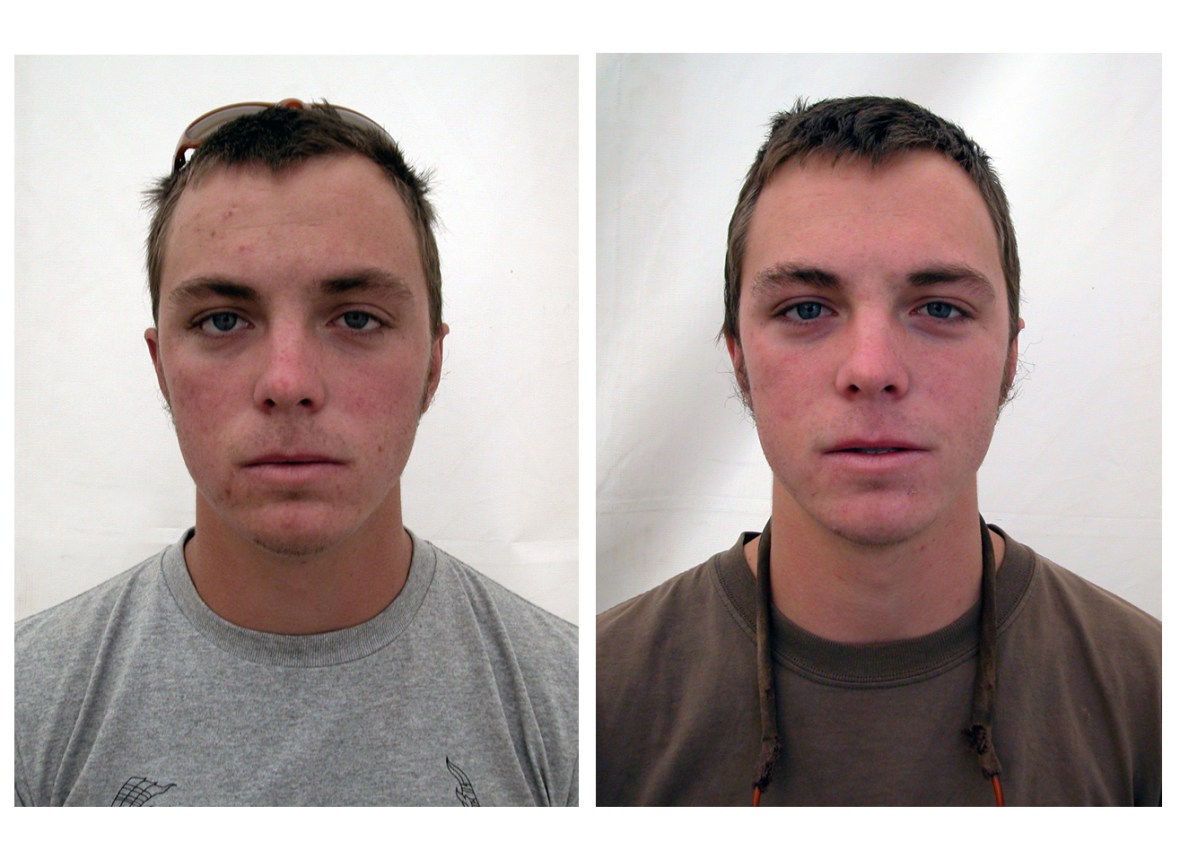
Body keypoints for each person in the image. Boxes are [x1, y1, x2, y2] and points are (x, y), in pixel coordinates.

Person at [596, 96, 1160, 806]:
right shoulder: (597, 698)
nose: (872, 368)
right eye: (806, 308)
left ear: (1010, 356)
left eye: (940, 308)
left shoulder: (1151, 696)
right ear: (738, 357)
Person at [15, 100, 577, 807]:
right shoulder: (26, 704)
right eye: (223, 320)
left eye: (357, 318)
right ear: (161, 368)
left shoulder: (575, 704)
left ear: (433, 364)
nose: (287, 383)